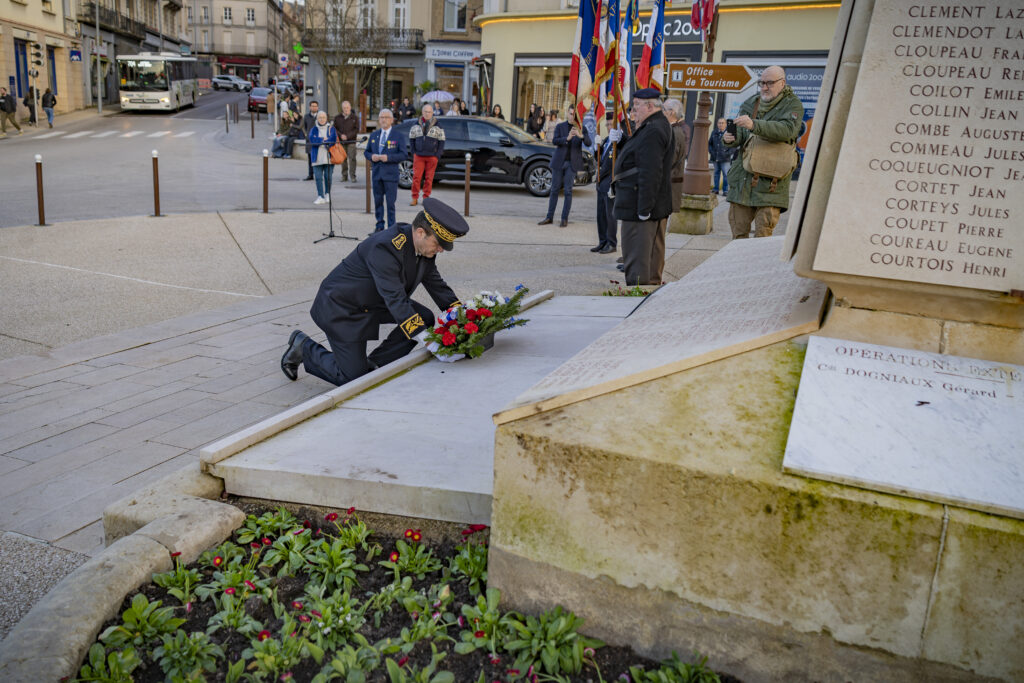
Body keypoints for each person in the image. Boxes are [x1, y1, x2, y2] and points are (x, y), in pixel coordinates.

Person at [279, 197, 468, 386]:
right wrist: (429, 342)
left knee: (423, 317)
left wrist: (465, 319)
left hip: (373, 302)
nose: (441, 249)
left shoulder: (423, 248)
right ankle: (303, 347)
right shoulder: (386, 247)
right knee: (352, 379)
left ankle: (376, 366)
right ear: (420, 232)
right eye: (438, 243)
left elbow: (438, 286)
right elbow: (395, 299)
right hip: (342, 308)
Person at [723, 65, 803, 238]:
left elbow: (788, 130)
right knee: (738, 237)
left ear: (782, 83)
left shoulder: (792, 104)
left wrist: (754, 124)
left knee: (762, 239)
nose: (764, 87)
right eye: (762, 83)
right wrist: (730, 139)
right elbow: (742, 135)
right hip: (743, 181)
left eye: (770, 83)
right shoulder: (751, 102)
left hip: (771, 185)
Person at [612, 88, 674, 286]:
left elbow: (650, 171)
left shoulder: (654, 129)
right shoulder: (653, 125)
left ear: (650, 106)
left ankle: (637, 295)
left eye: (637, 105)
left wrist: (644, 209)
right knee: (651, 257)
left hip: (640, 204)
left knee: (638, 259)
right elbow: (640, 155)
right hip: (647, 202)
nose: (633, 110)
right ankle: (649, 292)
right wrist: (622, 141)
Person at [538, 107, 590, 228]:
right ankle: (549, 217)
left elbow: (588, 142)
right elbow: (555, 141)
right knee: (554, 189)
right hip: (559, 162)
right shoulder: (560, 126)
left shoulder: (582, 128)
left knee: (568, 191)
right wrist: (567, 138)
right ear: (567, 113)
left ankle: (564, 218)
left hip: (572, 163)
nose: (572, 116)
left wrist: (580, 136)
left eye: (574, 114)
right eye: (571, 114)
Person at [364, 108, 407, 231]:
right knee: (378, 202)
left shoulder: (398, 136)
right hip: (377, 175)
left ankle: (391, 228)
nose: (384, 120)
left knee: (390, 203)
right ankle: (379, 226)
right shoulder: (374, 135)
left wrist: (388, 158)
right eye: (382, 117)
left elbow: (403, 154)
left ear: (392, 120)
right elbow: (367, 152)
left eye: (386, 117)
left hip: (390, 175)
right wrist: (371, 156)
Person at [592, 112, 626, 254]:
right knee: (600, 214)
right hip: (601, 182)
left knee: (609, 215)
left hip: (611, 182)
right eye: (607, 124)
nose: (608, 126)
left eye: (611, 124)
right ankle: (602, 241)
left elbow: (621, 158)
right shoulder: (607, 139)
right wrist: (597, 148)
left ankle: (611, 243)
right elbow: (599, 159)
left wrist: (620, 140)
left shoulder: (620, 140)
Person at [408, 103, 446, 207]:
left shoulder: (438, 125)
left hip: (432, 157)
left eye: (429, 112)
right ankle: (414, 197)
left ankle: (426, 198)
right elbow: (411, 139)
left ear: (432, 113)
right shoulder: (416, 124)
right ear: (422, 112)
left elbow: (442, 141)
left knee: (429, 179)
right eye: (425, 111)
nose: (427, 113)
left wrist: (437, 155)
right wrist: (413, 152)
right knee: (416, 178)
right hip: (419, 156)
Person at [663, 98, 691, 215]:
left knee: (661, 222)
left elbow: (669, 160)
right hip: (666, 186)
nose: (661, 112)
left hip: (667, 187)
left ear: (671, 112)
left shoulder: (674, 132)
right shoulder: (671, 130)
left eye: (663, 109)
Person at [307, 111, 338, 205]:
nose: (322, 119)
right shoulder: (314, 129)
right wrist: (323, 140)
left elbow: (333, 139)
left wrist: (320, 141)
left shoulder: (331, 128)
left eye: (323, 117)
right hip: (316, 157)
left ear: (326, 118)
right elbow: (312, 139)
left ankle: (327, 194)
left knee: (328, 177)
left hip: (329, 157)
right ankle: (320, 196)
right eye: (320, 117)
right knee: (318, 177)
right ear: (317, 119)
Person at [332, 100, 359, 182]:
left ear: (350, 108)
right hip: (341, 142)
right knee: (343, 159)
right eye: (344, 108)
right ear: (342, 108)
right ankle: (344, 176)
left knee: (352, 159)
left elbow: (356, 129)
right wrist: (341, 135)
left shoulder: (355, 118)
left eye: (347, 107)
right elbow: (334, 129)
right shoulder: (337, 118)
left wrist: (347, 136)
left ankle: (353, 176)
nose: (346, 109)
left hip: (351, 141)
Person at [708, 118, 736, 195]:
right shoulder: (714, 132)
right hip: (715, 157)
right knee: (716, 174)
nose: (721, 124)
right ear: (717, 124)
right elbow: (709, 144)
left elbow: (734, 146)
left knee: (726, 175)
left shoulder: (729, 133)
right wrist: (711, 152)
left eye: (722, 123)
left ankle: (725, 191)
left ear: (726, 124)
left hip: (725, 158)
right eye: (719, 123)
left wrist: (727, 153)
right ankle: (716, 189)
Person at [301, 100, 321, 181]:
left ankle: (318, 175)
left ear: (318, 107)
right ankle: (310, 175)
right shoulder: (306, 116)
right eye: (312, 106)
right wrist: (306, 135)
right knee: (310, 159)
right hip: (309, 141)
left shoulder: (321, 116)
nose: (314, 107)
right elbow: (304, 127)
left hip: (318, 140)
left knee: (318, 158)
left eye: (315, 106)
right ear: (310, 107)